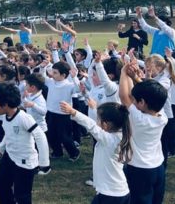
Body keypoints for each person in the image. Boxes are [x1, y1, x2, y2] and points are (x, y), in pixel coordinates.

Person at [119, 54, 168, 204]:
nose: (134, 101)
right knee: (156, 198)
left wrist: (123, 73)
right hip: (158, 166)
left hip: (140, 169)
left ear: (142, 103)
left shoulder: (139, 119)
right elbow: (148, 93)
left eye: (137, 100)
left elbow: (124, 96)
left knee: (140, 199)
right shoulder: (161, 114)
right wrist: (135, 78)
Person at [61, 101, 132, 204]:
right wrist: (94, 108)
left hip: (110, 195)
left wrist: (73, 112)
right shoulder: (122, 136)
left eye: (98, 119)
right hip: (118, 192)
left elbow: (92, 126)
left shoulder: (109, 140)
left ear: (106, 125)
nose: (96, 121)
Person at [0, 83, 49, 204]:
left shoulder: (23, 118)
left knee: (22, 195)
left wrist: (44, 162)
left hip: (25, 162)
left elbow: (40, 136)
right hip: (9, 156)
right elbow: (9, 134)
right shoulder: (6, 117)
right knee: (2, 186)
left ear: (5, 104)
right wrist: (0, 147)